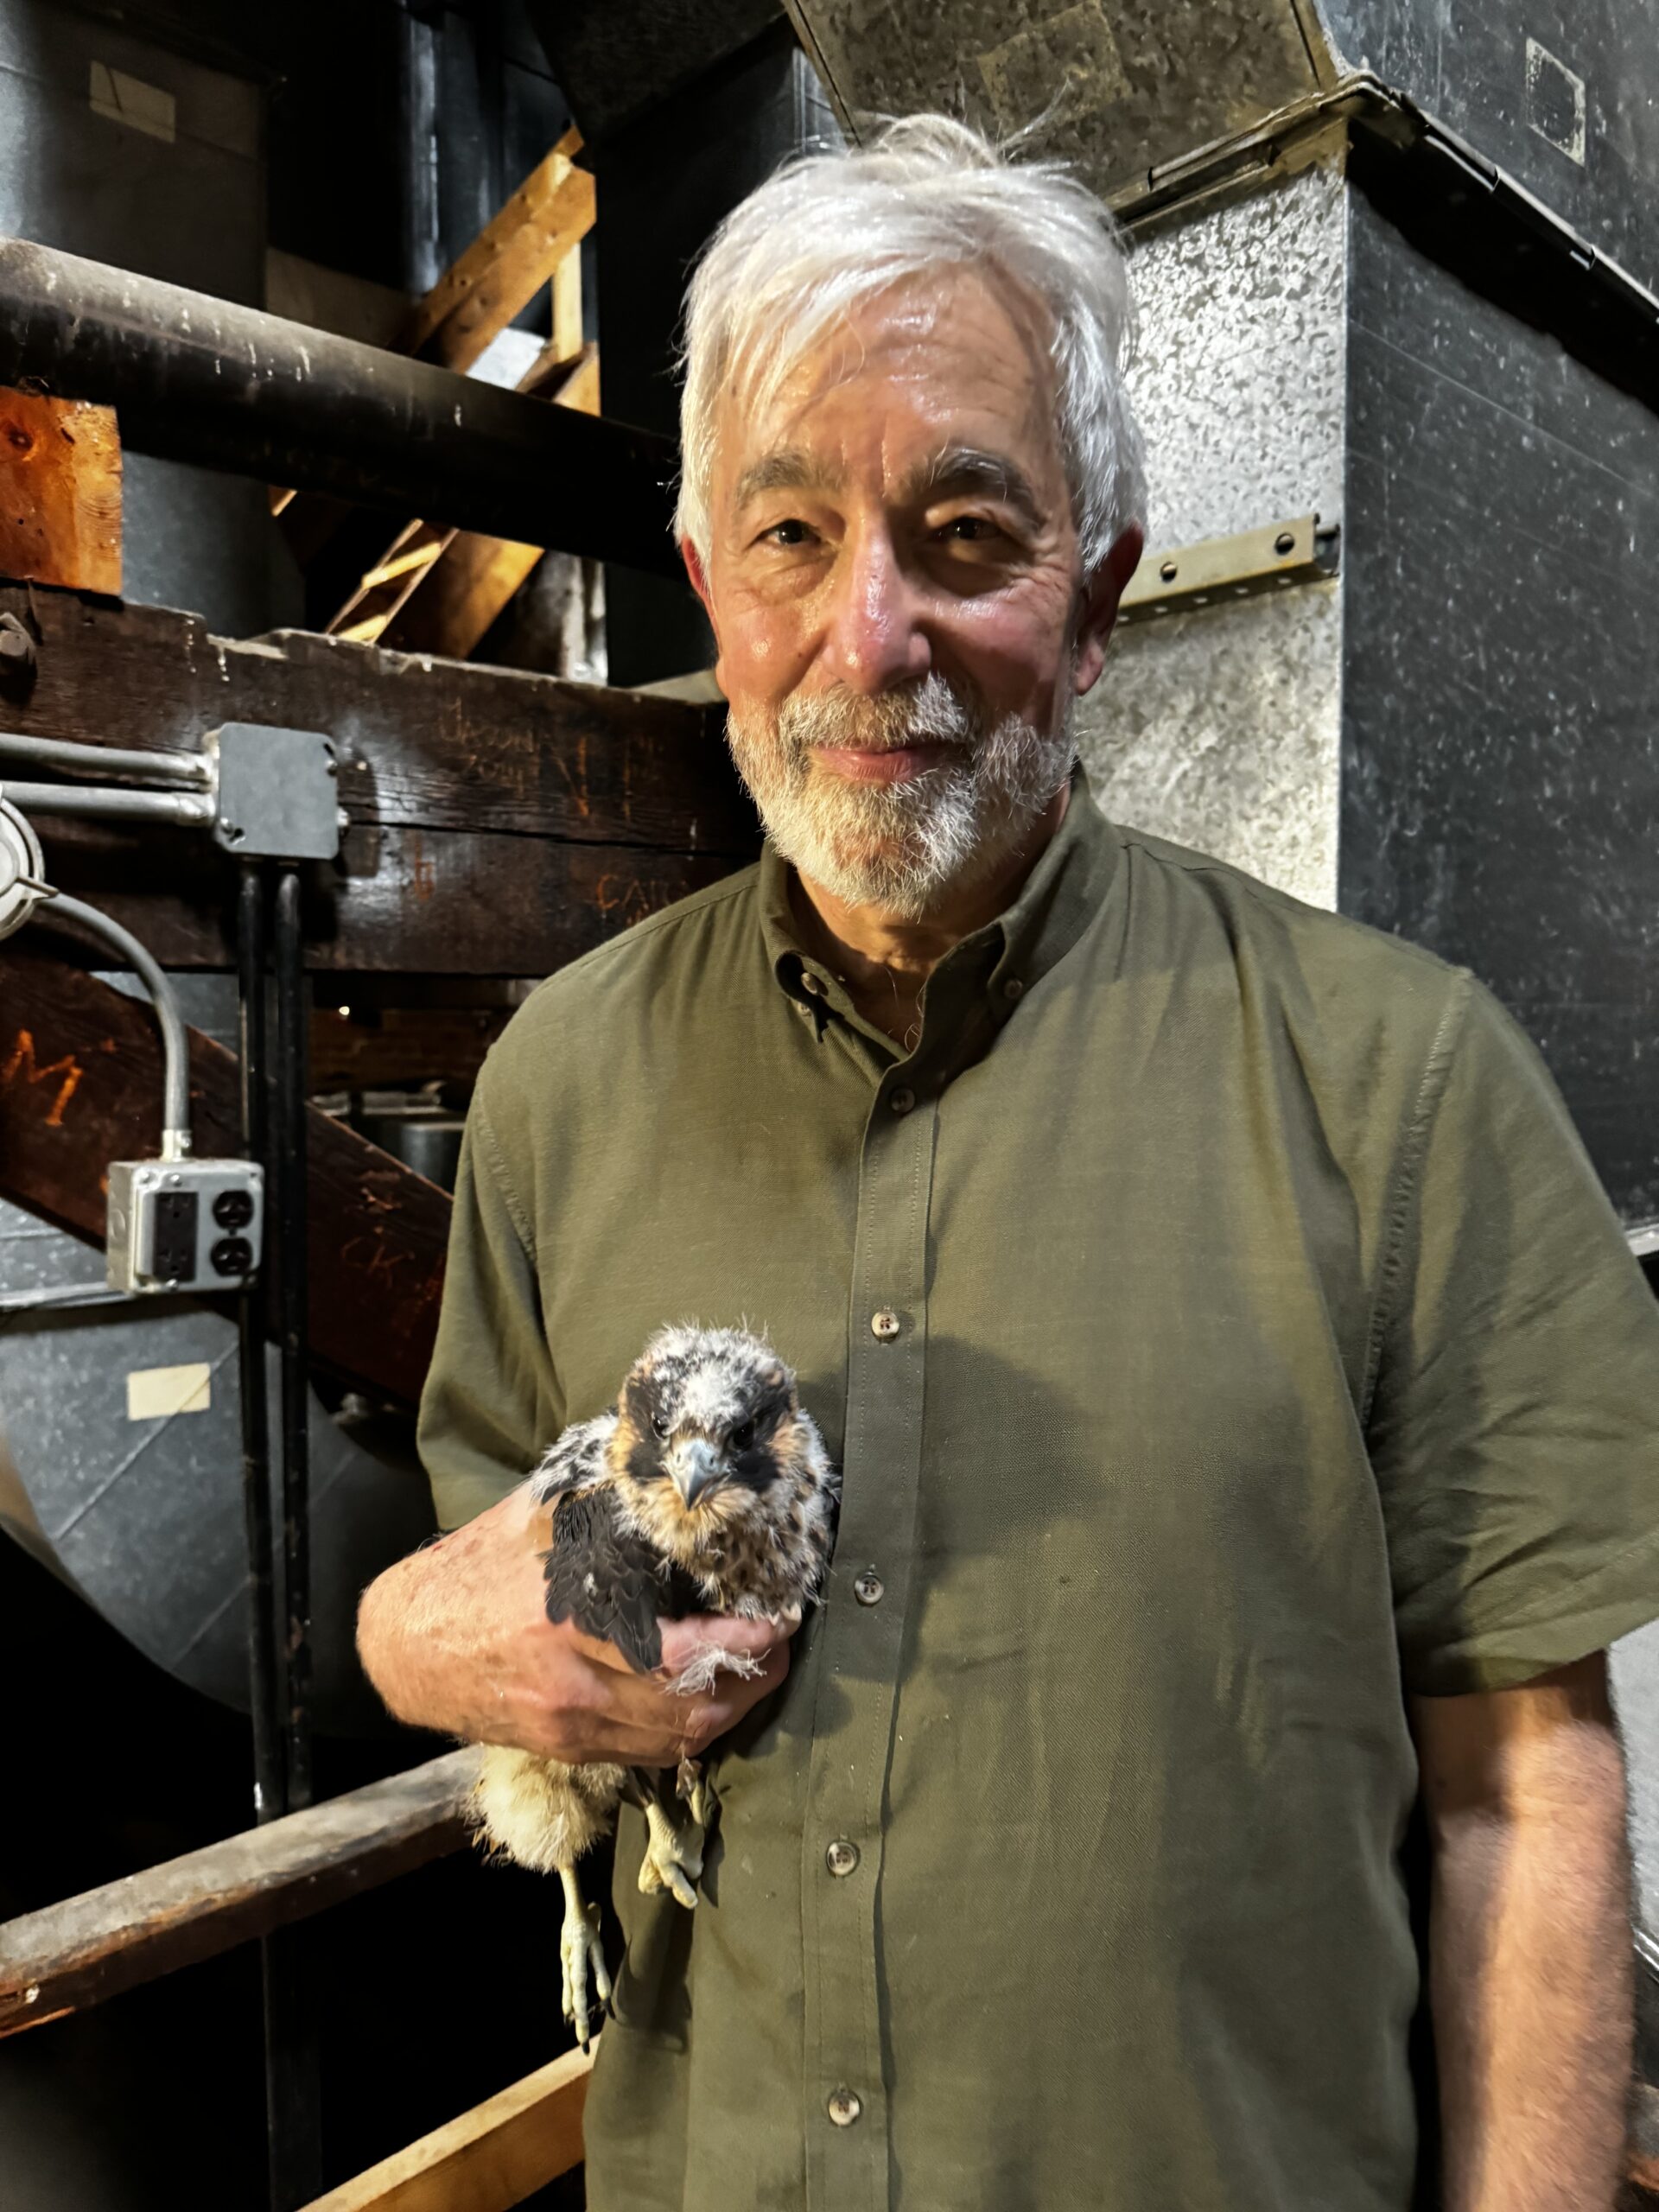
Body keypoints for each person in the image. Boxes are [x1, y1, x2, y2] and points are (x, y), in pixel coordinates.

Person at [356, 115, 1659, 2211]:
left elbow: (1524, 1794)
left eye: (964, 532)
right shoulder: (561, 1084)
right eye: (789, 533)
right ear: (707, 581)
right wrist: (406, 1638)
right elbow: (497, 1611)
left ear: (1105, 596)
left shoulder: (1403, 1089)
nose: (869, 638)